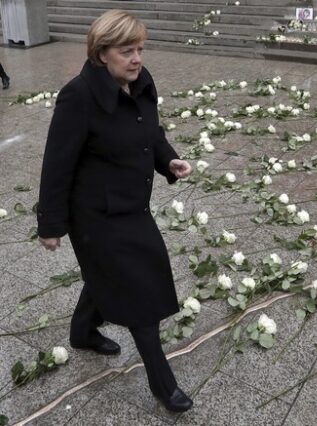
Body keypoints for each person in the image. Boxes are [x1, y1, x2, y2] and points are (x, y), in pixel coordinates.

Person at [37, 10, 194, 412]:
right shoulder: (78, 96)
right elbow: (57, 164)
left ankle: (82, 331)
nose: (137, 58)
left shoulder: (141, 83)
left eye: (140, 49)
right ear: (101, 53)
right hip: (95, 217)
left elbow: (149, 132)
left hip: (131, 206)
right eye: (127, 51)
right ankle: (163, 384)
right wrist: (51, 224)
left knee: (108, 275)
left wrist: (169, 160)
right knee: (139, 288)